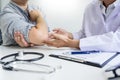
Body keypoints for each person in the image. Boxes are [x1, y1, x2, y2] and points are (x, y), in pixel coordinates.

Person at [14, 0, 120, 52]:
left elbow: (117, 41)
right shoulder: (91, 7)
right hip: (93, 59)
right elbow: (86, 34)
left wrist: (70, 43)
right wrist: (70, 35)